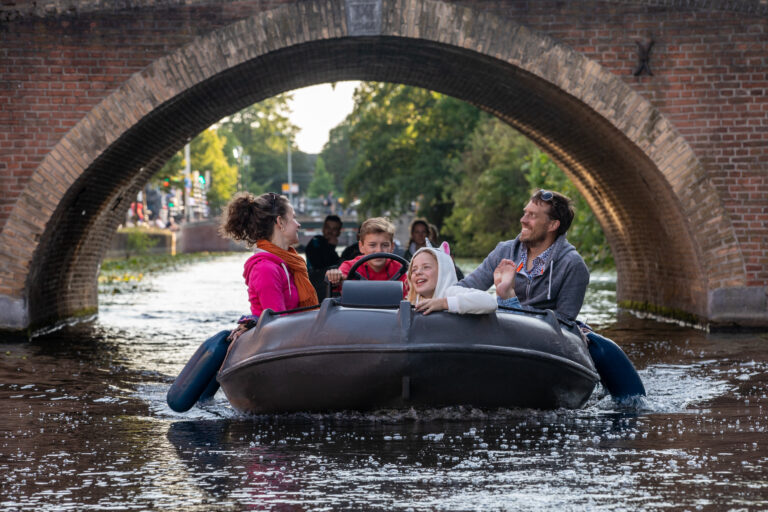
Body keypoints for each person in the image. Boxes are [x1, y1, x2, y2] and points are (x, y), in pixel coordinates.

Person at [457, 189, 589, 321]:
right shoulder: (504, 251)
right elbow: (467, 286)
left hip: (540, 338)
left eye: (532, 215)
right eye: (525, 213)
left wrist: (509, 301)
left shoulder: (572, 265)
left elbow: (564, 322)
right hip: (503, 330)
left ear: (552, 225)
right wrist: (441, 298)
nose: (523, 220)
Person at [220, 192, 318, 318]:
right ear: (280, 222)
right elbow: (278, 325)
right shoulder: (265, 269)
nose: (298, 224)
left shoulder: (289, 264)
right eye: (293, 218)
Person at [325, 217, 409, 297]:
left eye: (385, 245)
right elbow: (336, 280)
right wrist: (335, 276)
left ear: (392, 247)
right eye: (372, 245)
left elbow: (410, 297)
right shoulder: (349, 267)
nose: (379, 250)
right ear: (361, 246)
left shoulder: (399, 269)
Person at [408, 244, 497, 315]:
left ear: (443, 272)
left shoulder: (450, 292)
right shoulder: (412, 300)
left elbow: (490, 302)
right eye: (414, 269)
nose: (418, 272)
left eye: (426, 267)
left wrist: (444, 304)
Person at [305, 215, 343, 300]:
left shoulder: (334, 252)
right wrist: (330, 246)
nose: (330, 232)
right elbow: (319, 263)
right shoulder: (316, 241)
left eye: (334, 229)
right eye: (328, 228)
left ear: (339, 232)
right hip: (314, 283)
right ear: (323, 229)